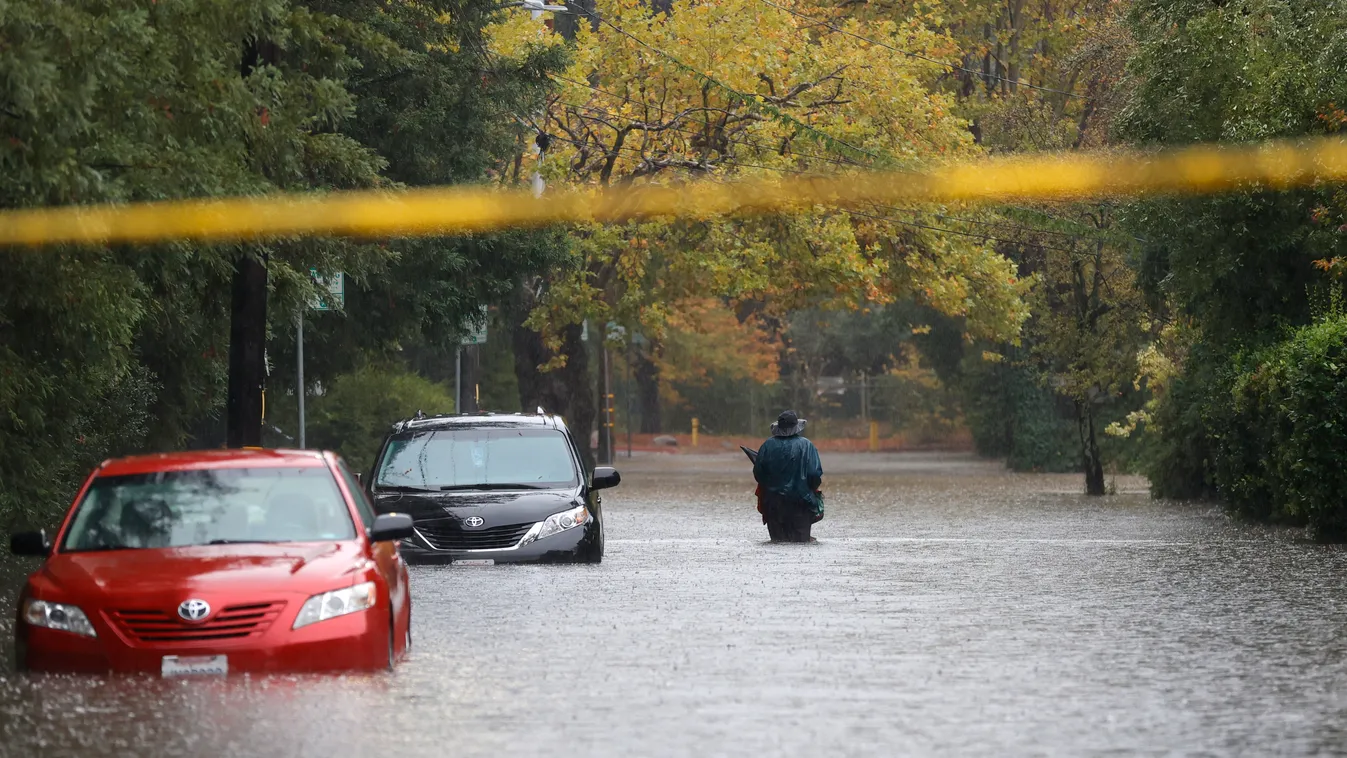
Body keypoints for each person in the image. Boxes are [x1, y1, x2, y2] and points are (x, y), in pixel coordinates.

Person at [752, 410, 824, 542]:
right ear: (796, 427)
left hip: (773, 505)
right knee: (801, 545)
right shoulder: (807, 445)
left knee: (777, 544)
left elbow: (759, 474)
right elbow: (814, 474)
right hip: (801, 504)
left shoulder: (767, 445)